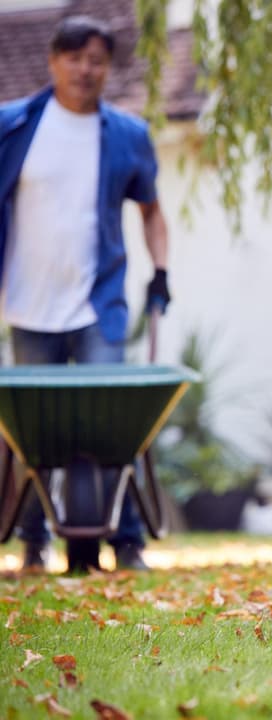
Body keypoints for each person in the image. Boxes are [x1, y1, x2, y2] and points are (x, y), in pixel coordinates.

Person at [0, 16, 171, 572]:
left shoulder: (128, 135)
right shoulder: (15, 125)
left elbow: (151, 213)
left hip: (99, 307)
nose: (85, 68)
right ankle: (33, 544)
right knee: (35, 438)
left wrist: (161, 271)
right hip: (27, 305)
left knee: (108, 428)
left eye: (96, 59)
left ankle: (125, 544)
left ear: (107, 68)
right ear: (53, 61)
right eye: (74, 57)